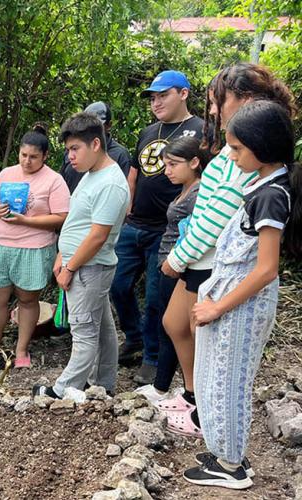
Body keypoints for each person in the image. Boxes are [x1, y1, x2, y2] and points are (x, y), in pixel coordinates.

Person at [157, 64, 296, 439]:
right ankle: (197, 401)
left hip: (216, 264)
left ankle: (211, 424)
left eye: (219, 102)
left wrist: (179, 258)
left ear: (246, 100)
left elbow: (222, 216)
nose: (214, 112)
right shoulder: (248, 152)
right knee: (180, 326)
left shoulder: (261, 169)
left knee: (214, 353)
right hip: (208, 260)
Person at [182, 100, 300, 490]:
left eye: (237, 149)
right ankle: (224, 451)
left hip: (239, 305)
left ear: (262, 148)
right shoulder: (264, 185)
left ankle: (231, 464)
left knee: (229, 380)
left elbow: (266, 269)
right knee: (217, 375)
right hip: (231, 300)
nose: (230, 157)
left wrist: (217, 306)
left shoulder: (271, 195)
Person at [112, 70, 205, 385]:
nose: (156, 102)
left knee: (156, 297)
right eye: (152, 97)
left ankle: (151, 358)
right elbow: (135, 172)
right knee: (117, 285)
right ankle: (134, 337)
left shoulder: (200, 130)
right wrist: (126, 204)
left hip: (167, 229)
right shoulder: (149, 130)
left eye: (163, 95)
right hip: (134, 223)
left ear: (183, 94)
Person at [32, 112, 129, 398]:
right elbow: (78, 220)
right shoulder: (91, 175)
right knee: (101, 328)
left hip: (89, 267)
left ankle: (65, 388)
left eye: (75, 149)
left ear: (95, 144)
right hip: (82, 264)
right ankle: (103, 384)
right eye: (68, 150)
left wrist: (70, 266)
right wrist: (63, 253)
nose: (70, 157)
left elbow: (98, 234)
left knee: (84, 331)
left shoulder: (110, 183)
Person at [0, 126, 70, 368]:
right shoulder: (7, 174)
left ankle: (21, 349)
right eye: (23, 155)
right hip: (0, 244)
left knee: (27, 299)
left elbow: (61, 216)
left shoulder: (54, 180)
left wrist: (26, 220)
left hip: (34, 248)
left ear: (45, 156)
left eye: (34, 156)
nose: (27, 161)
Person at [134, 137, 210, 405]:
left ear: (194, 162)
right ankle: (174, 387)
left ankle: (165, 386)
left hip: (178, 268)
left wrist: (177, 264)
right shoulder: (186, 190)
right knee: (169, 324)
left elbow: (197, 235)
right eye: (166, 164)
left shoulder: (199, 194)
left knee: (172, 327)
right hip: (169, 264)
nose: (167, 170)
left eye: (173, 164)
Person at [59, 101, 132, 193]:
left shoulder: (120, 155)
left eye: (98, 126)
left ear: (109, 125)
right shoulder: (71, 152)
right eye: (87, 126)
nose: (91, 130)